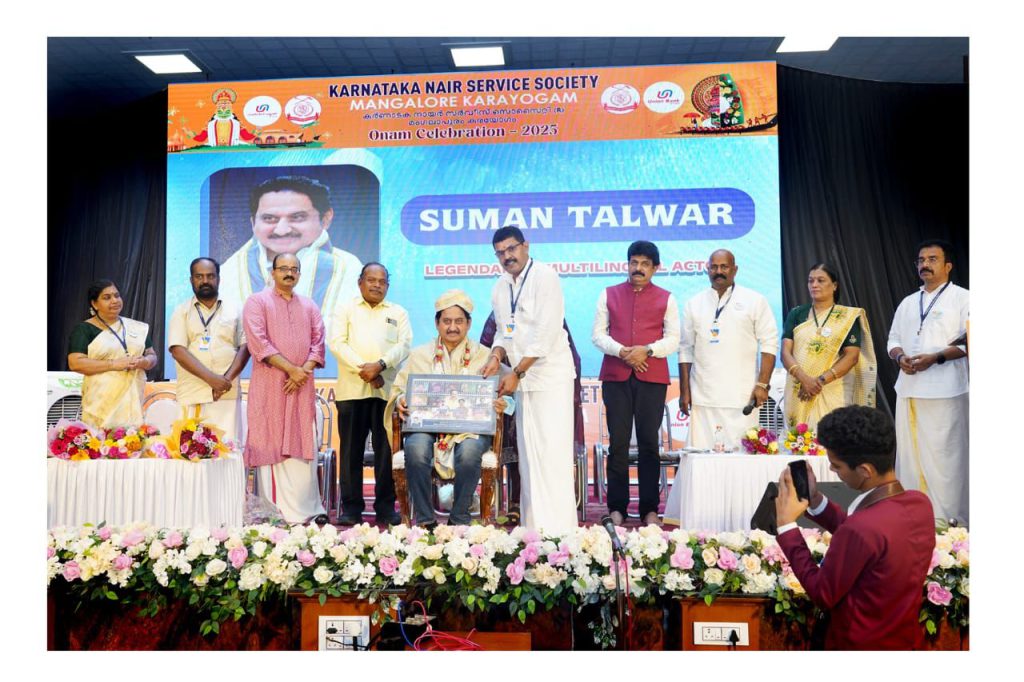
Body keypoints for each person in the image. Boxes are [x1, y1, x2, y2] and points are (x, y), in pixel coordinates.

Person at [774, 406, 935, 650]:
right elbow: (866, 540)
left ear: (865, 470)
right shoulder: (920, 503)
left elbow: (822, 593)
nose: (832, 470)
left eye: (837, 466)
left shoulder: (862, 528)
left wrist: (786, 526)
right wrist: (816, 500)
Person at [482, 226, 578, 535]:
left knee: (552, 454)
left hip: (550, 378)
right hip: (522, 381)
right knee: (529, 456)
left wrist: (517, 372)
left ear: (525, 246)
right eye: (500, 253)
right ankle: (534, 527)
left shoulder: (545, 277)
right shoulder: (500, 286)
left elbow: (545, 335)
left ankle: (560, 530)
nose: (506, 257)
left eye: (511, 249)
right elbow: (503, 331)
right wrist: (496, 355)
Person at [385, 290, 504, 527]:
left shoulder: (485, 356)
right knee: (416, 450)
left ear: (469, 324)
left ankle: (458, 519)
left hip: (470, 430)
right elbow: (398, 390)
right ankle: (425, 520)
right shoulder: (419, 355)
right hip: (426, 428)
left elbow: (506, 397)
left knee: (469, 453)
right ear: (437, 323)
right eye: (447, 321)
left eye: (459, 321)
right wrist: (400, 400)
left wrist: (502, 404)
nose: (452, 327)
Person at [592, 240, 680, 527]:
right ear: (627, 264)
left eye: (644, 264)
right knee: (618, 444)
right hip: (616, 378)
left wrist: (648, 350)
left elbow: (673, 339)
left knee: (649, 444)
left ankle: (649, 510)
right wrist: (623, 352)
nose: (638, 268)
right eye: (634, 262)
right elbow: (598, 335)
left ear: (655, 268)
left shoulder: (667, 298)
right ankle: (617, 508)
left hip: (651, 379)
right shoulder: (608, 294)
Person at [887, 239, 969, 526]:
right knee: (911, 458)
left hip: (947, 391)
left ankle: (950, 522)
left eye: (932, 259)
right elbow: (893, 339)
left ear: (948, 266)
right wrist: (900, 357)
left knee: (947, 459)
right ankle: (914, 520)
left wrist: (935, 358)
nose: (925, 265)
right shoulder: (908, 302)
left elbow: (970, 342)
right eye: (921, 260)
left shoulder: (963, 298)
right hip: (909, 389)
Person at [242, 253, 328, 525]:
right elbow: (259, 343)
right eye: (283, 268)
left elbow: (318, 343)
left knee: (303, 441)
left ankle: (309, 508)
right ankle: (280, 514)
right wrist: (293, 370)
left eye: (294, 269)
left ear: (299, 274)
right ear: (273, 272)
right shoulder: (257, 302)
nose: (289, 273)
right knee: (272, 441)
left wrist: (302, 372)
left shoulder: (310, 305)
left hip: (301, 390)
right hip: (271, 389)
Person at [219, 175, 362, 333]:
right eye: (269, 218)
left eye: (297, 217)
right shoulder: (230, 271)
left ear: (326, 219)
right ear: (253, 222)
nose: (282, 230)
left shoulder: (348, 269)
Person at [329, 263, 411, 526]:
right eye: (371, 280)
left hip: (386, 392)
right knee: (350, 452)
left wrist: (381, 366)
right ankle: (351, 508)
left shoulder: (398, 312)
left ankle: (385, 507)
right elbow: (337, 343)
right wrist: (366, 370)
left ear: (388, 285)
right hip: (351, 391)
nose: (376, 285)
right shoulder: (345, 309)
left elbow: (404, 346)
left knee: (386, 452)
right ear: (360, 282)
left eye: (382, 281)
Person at [676, 249, 778, 449]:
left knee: (742, 457)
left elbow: (769, 343)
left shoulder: (754, 300)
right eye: (714, 267)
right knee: (702, 457)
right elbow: (685, 349)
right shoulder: (694, 303)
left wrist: (762, 384)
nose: (718, 271)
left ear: (735, 270)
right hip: (703, 397)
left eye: (724, 267)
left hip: (742, 397)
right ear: (707, 269)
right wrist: (684, 391)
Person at [780, 263, 877, 429]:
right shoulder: (797, 314)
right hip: (799, 388)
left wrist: (818, 382)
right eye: (810, 281)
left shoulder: (846, 317)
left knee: (831, 437)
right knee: (799, 440)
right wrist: (805, 380)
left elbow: (852, 356)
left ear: (834, 285)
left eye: (820, 280)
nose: (814, 285)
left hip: (833, 390)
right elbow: (785, 353)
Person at [167, 257, 250, 442]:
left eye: (210, 276)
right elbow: (178, 350)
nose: (205, 281)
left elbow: (245, 347)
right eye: (199, 276)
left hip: (226, 393)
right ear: (191, 280)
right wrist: (212, 379)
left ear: (218, 278)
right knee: (192, 450)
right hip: (193, 392)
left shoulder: (235, 309)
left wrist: (225, 381)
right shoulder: (181, 311)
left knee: (228, 446)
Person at [68, 280, 157, 428]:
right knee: (100, 440)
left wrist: (145, 362)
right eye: (107, 297)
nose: (115, 300)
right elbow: (75, 363)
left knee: (131, 439)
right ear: (94, 304)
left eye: (117, 295)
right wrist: (114, 364)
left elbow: (152, 355)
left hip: (132, 402)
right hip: (100, 404)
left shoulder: (136, 328)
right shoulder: (84, 329)